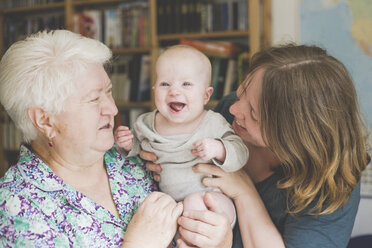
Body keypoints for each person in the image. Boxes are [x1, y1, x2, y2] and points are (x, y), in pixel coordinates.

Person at [145, 44, 371, 248]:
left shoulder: (332, 186)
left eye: (252, 113)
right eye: (240, 93)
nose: (234, 109)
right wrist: (157, 151)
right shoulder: (229, 113)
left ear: (292, 135)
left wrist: (244, 192)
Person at [0, 30, 186, 247]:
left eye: (109, 92)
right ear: (45, 121)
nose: (113, 108)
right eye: (93, 99)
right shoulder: (16, 207)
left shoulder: (136, 158)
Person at [114, 45, 249, 229]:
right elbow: (136, 150)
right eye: (165, 84)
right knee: (152, 209)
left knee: (193, 204)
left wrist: (219, 148)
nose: (174, 91)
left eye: (186, 84)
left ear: (206, 95)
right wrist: (127, 144)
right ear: (154, 90)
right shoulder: (145, 123)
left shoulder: (213, 123)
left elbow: (241, 152)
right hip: (173, 205)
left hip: (213, 202)